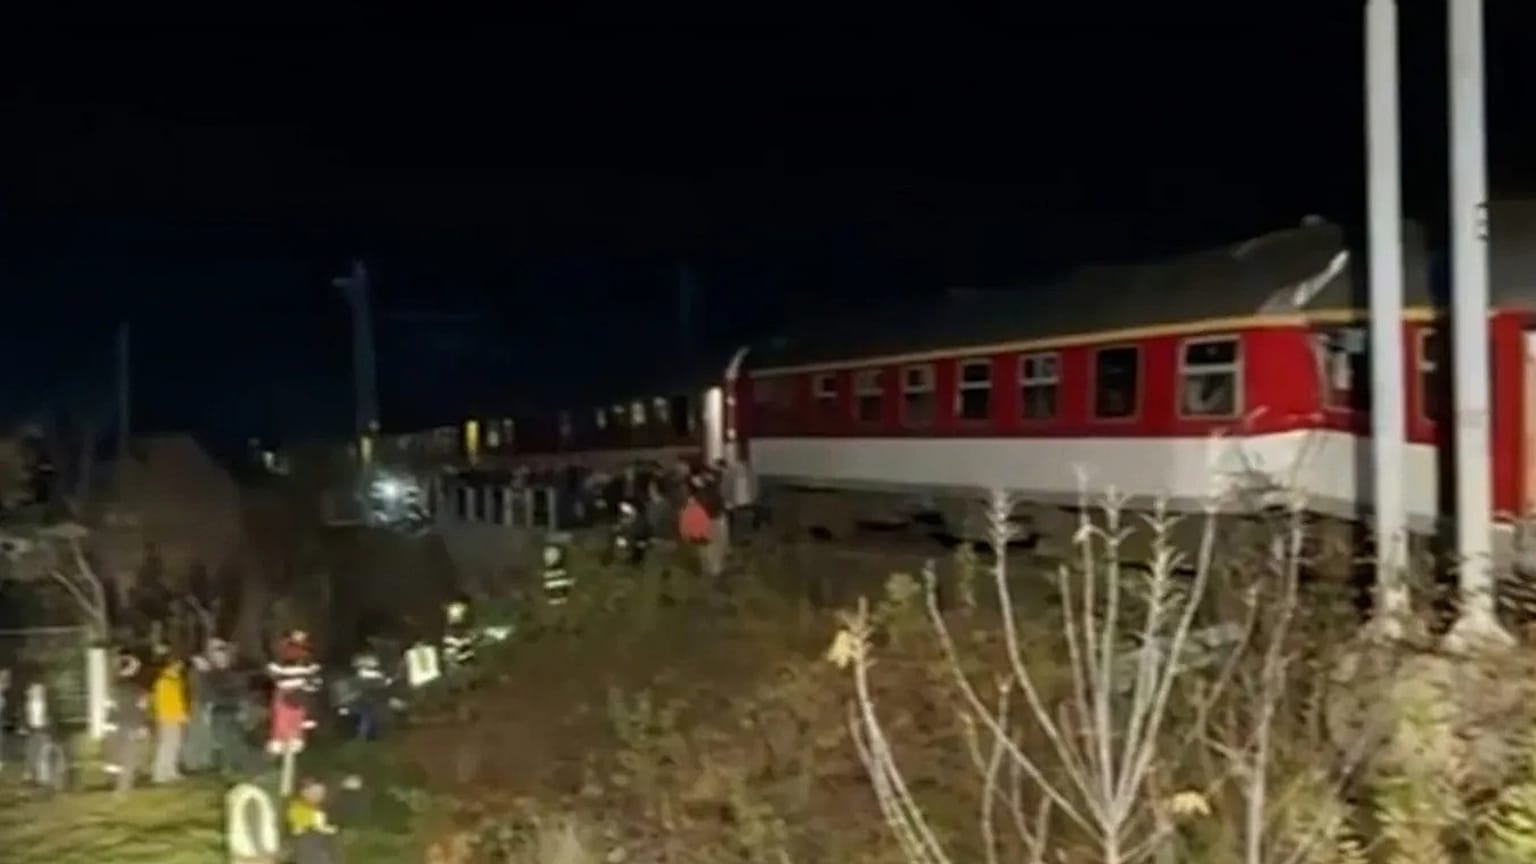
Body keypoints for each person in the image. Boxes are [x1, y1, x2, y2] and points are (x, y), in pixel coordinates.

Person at [267, 630, 322, 756]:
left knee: (297, 715)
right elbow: (274, 673)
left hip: (300, 693)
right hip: (284, 692)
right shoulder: (281, 658)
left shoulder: (309, 661)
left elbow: (315, 679)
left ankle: (295, 738)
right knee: (281, 715)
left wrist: (310, 687)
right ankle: (279, 739)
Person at [202, 639, 250, 776]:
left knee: (235, 738)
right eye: (217, 657)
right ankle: (226, 766)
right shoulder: (211, 674)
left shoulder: (235, 673)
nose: (220, 659)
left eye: (222, 656)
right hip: (219, 710)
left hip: (233, 709)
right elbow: (208, 693)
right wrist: (208, 710)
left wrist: (243, 708)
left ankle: (237, 764)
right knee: (221, 740)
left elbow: (242, 692)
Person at [104, 649, 150, 792]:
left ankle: (114, 782)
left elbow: (110, 707)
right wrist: (141, 726)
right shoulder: (139, 690)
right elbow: (141, 709)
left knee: (114, 756)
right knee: (129, 756)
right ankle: (124, 786)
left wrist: (108, 724)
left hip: (116, 725)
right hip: (131, 725)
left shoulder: (114, 689)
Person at [151, 655, 189, 783]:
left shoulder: (176, 680)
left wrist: (182, 714)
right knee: (166, 745)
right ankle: (159, 773)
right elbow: (163, 702)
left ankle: (171, 771)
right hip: (167, 718)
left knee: (175, 745)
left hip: (176, 717)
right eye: (178, 664)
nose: (180, 667)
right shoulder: (164, 681)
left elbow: (178, 700)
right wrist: (173, 715)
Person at [287, 776, 343, 864]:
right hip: (308, 849)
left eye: (322, 793)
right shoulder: (297, 808)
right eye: (316, 793)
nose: (320, 796)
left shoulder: (317, 809)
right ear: (304, 792)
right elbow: (304, 827)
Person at [440, 598, 478, 671]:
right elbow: (450, 659)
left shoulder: (466, 633)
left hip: (467, 667)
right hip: (459, 669)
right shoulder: (451, 635)